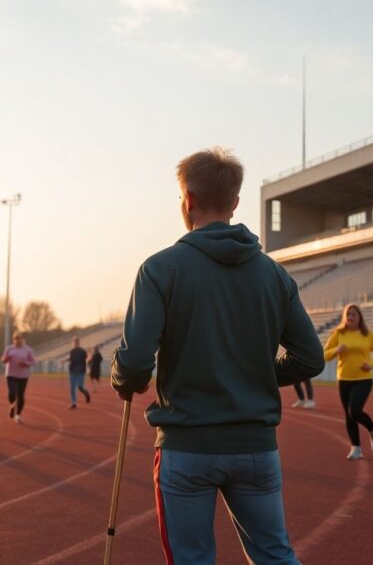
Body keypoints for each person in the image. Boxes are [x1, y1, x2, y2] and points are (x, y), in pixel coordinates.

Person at [112, 147, 323, 565]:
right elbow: (310, 359)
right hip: (256, 446)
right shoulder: (275, 274)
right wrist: (259, 372)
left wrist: (124, 379)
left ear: (187, 201)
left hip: (187, 445)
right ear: (236, 203)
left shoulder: (160, 268)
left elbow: (135, 364)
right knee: (276, 557)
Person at [324, 303, 373, 460]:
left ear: (360, 318)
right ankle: (356, 448)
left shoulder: (367, 334)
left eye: (353, 314)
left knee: (355, 411)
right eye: (348, 314)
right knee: (349, 416)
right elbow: (325, 354)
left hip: (363, 379)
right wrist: (336, 350)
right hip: (343, 379)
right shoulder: (338, 333)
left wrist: (371, 364)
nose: (350, 317)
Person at [1, 332, 36, 424]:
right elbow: (3, 360)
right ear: (13, 340)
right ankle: (12, 405)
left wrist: (26, 364)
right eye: (16, 338)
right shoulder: (9, 348)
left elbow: (33, 361)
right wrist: (6, 359)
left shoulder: (28, 349)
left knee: (20, 395)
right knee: (12, 393)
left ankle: (18, 415)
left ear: (23, 339)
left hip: (23, 375)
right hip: (11, 374)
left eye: (20, 338)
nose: (18, 340)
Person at [67, 337, 91, 409]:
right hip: (72, 371)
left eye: (77, 342)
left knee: (80, 386)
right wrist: (64, 361)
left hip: (81, 371)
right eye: (74, 342)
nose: (75, 343)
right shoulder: (72, 351)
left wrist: (89, 353)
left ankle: (86, 393)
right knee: (72, 388)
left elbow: (88, 358)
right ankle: (74, 403)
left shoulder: (82, 351)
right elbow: (70, 359)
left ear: (79, 342)